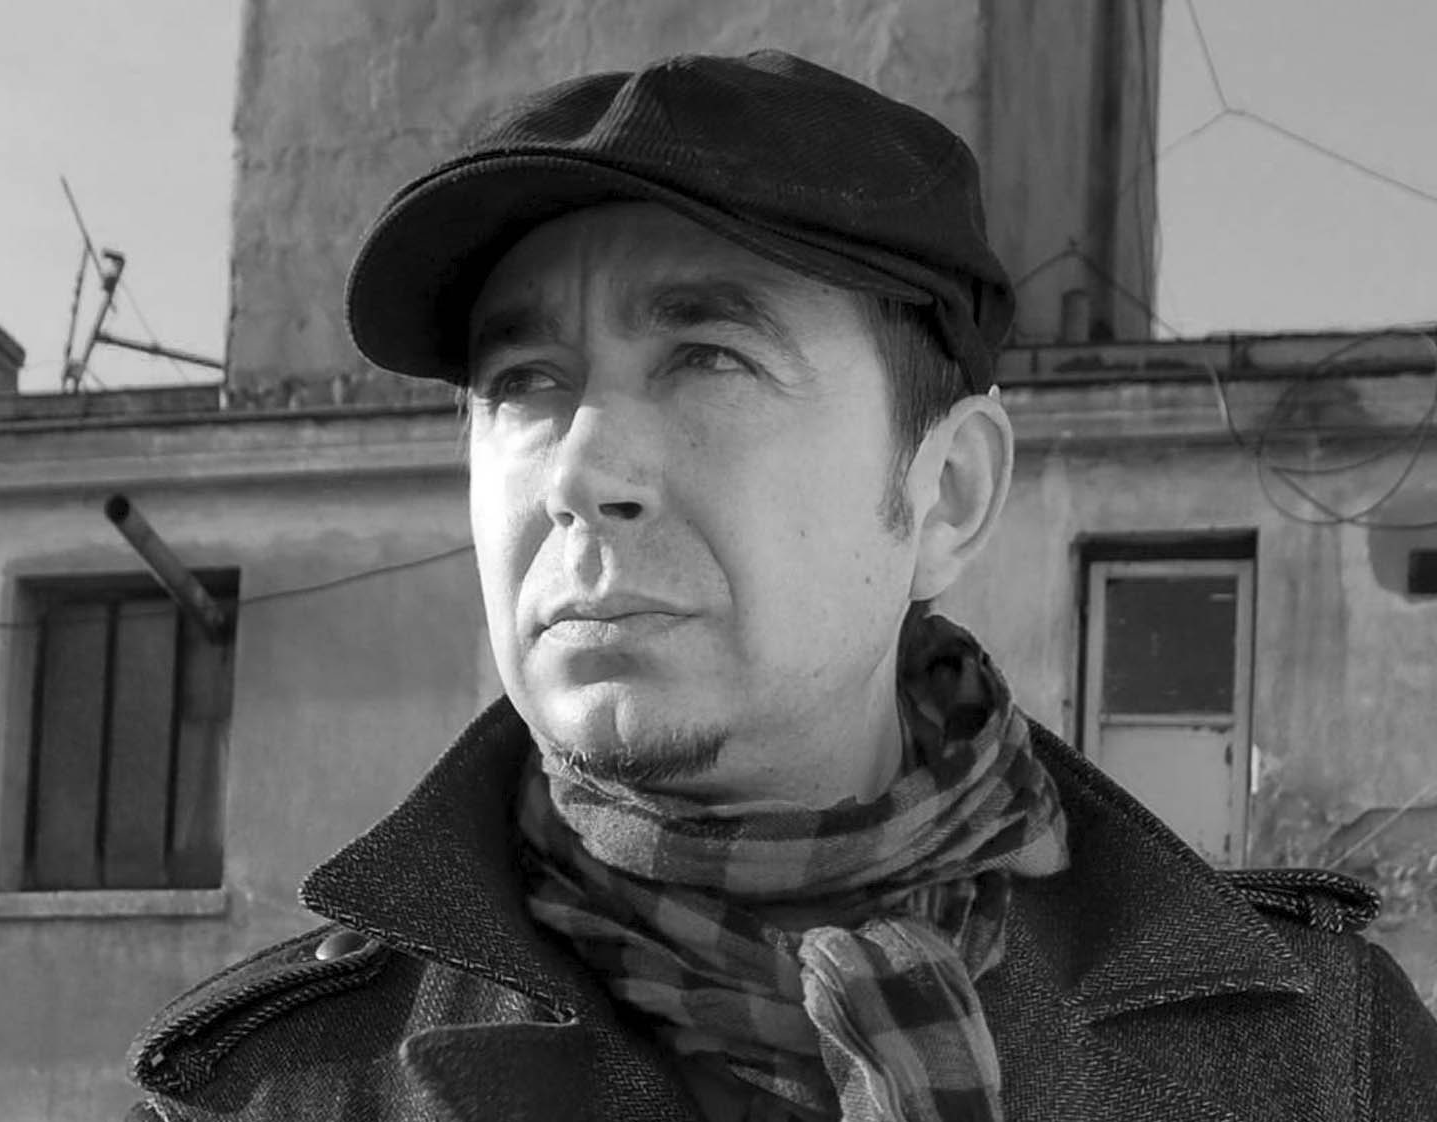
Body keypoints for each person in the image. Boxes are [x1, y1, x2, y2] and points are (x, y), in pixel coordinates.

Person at [126, 50, 1437, 1122]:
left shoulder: (1325, 1056)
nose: (578, 472)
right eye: (524, 383)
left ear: (947, 493)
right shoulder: (266, 1092)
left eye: (708, 357)